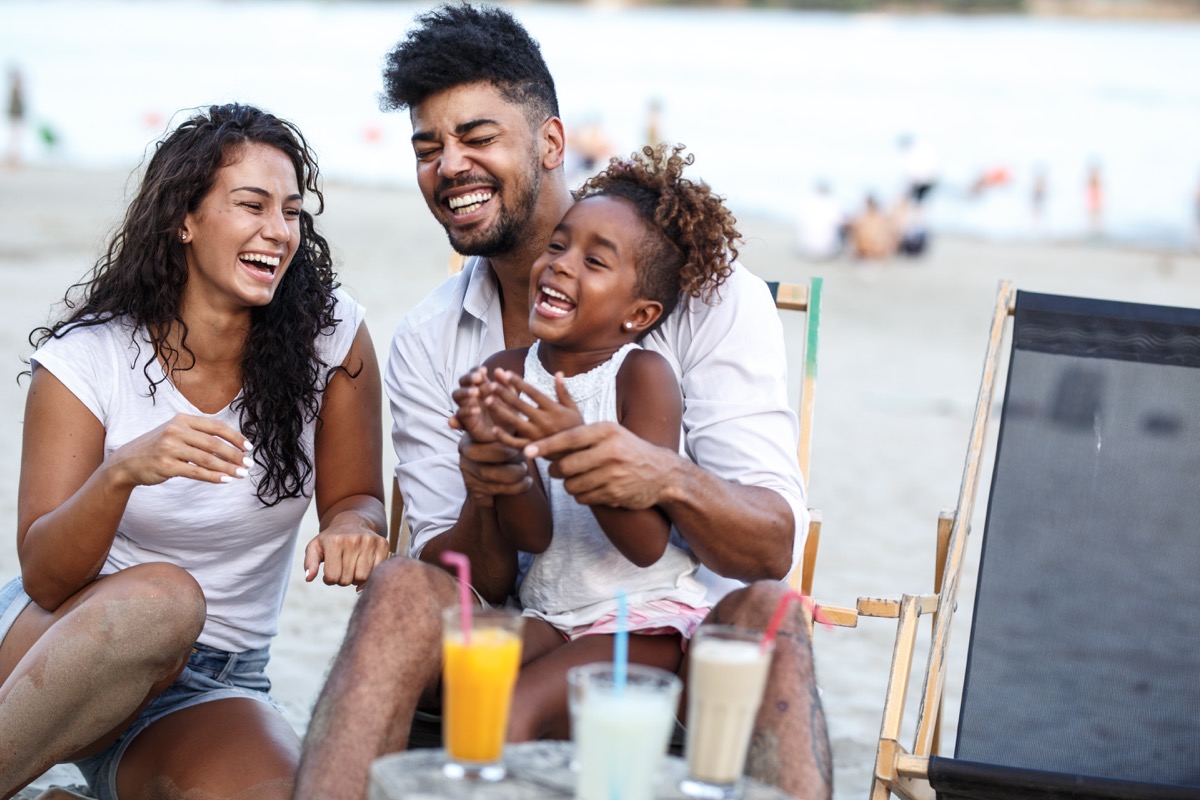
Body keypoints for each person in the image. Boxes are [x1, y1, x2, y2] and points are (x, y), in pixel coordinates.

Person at [295, 6, 830, 800]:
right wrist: (491, 482)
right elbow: (479, 574)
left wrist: (655, 474)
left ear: (550, 143)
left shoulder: (709, 301)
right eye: (428, 148)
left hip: (681, 630)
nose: (449, 166)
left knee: (769, 623)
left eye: (477, 138)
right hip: (538, 624)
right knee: (402, 589)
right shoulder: (433, 339)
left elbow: (767, 547)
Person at [0, 103, 388, 800]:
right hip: (63, 645)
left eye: (293, 212)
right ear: (184, 218)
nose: (278, 230)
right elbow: (47, 577)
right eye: (251, 205)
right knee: (166, 598)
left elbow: (357, 497)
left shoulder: (331, 339)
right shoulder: (89, 358)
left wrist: (354, 528)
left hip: (213, 681)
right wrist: (122, 473)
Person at [453, 145, 736, 718]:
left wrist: (570, 445)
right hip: (549, 611)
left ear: (639, 315)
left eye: (595, 261)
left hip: (642, 617)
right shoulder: (508, 372)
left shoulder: (642, 378)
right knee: (466, 689)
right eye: (558, 245)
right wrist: (499, 460)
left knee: (512, 716)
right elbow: (531, 536)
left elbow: (645, 544)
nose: (560, 263)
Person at [5, 65, 25, 168]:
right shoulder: (15, 90)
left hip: (16, 117)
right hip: (15, 118)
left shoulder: (16, 90)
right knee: (14, 140)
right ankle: (12, 162)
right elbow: (15, 107)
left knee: (15, 140)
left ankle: (14, 161)